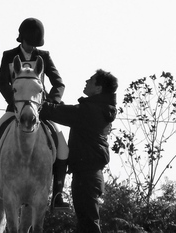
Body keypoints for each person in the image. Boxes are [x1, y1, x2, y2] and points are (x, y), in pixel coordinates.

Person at [0, 18, 70, 211]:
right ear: (23, 37)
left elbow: (59, 83)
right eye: (31, 40)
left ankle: (58, 194)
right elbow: (2, 83)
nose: (33, 45)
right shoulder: (9, 56)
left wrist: (50, 103)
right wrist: (15, 102)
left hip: (40, 111)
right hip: (14, 110)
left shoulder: (44, 56)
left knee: (63, 147)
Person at [40, 69, 118, 232]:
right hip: (88, 175)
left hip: (86, 176)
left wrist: (36, 101)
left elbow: (55, 112)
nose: (86, 81)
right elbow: (66, 111)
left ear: (98, 88)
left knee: (88, 224)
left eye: (91, 80)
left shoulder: (90, 110)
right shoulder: (97, 109)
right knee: (85, 224)